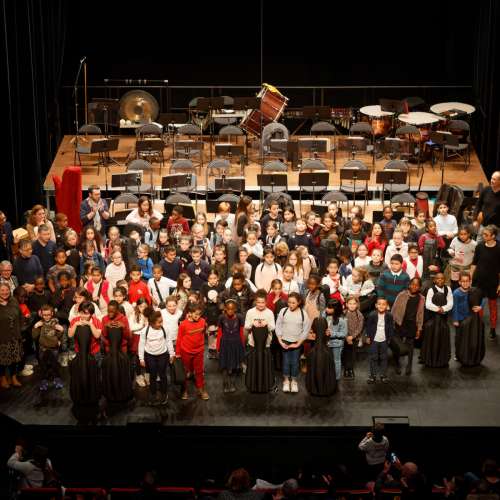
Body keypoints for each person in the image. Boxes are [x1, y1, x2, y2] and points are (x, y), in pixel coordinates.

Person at [68, 301, 102, 424]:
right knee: (81, 378)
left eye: (86, 314)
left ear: (91, 314)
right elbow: (70, 334)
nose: (83, 315)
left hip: (94, 354)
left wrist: (89, 324)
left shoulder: (96, 321)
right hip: (80, 354)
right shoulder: (75, 320)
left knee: (93, 378)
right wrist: (77, 324)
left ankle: (93, 401)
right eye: (82, 313)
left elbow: (97, 335)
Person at [276, 292, 312, 393]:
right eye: (289, 302)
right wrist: (280, 340)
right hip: (285, 341)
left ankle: (294, 381)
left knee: (295, 362)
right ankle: (286, 381)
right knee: (286, 361)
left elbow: (305, 330)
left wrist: (298, 343)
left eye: (293, 303)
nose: (290, 305)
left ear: (299, 302)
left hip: (296, 342)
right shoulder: (283, 311)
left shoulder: (303, 313)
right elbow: (278, 326)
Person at [101, 300, 134, 410]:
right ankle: (111, 394)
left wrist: (123, 327)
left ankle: (122, 394)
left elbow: (128, 336)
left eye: (112, 311)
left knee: (121, 373)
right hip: (109, 351)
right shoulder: (104, 319)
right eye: (108, 311)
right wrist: (106, 327)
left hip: (122, 350)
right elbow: (103, 336)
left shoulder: (123, 318)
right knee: (111, 373)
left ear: (117, 310)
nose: (109, 313)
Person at [139, 309, 175, 406]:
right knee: (152, 376)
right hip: (150, 356)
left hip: (162, 355)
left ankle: (164, 393)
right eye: (159, 322)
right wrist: (141, 358)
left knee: (163, 375)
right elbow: (141, 344)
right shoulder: (145, 331)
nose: (161, 324)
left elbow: (168, 341)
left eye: (162, 321)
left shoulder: (164, 329)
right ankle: (153, 393)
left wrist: (172, 354)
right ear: (151, 323)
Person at [470, 225, 500, 339]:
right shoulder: (480, 246)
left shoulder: (499, 248)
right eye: (483, 234)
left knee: (493, 306)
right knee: (478, 305)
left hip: (493, 282)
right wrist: (470, 278)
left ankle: (492, 329)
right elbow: (474, 263)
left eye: (486, 235)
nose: (483, 236)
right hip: (479, 281)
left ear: (493, 236)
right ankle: (478, 326)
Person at [391, 278, 425, 375]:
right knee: (398, 345)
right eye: (412, 284)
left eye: (417, 285)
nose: (414, 286)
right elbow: (394, 309)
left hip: (412, 325)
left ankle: (409, 365)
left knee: (410, 345)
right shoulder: (402, 295)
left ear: (420, 287)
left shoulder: (421, 298)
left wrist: (419, 328)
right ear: (409, 285)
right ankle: (397, 364)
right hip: (400, 323)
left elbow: (420, 314)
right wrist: (392, 323)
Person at [244, 290, 275, 393]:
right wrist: (253, 323)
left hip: (265, 345)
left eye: (262, 302)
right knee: (254, 365)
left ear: (266, 302)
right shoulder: (250, 312)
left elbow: (273, 327)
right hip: (253, 344)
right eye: (258, 302)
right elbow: (246, 326)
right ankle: (253, 385)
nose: (260, 305)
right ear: (255, 302)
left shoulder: (269, 312)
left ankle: (266, 385)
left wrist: (266, 324)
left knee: (264, 365)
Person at [176, 303, 209, 400]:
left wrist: (201, 346)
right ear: (189, 313)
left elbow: (203, 333)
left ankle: (201, 389)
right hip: (186, 351)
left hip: (198, 351)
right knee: (185, 372)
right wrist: (177, 353)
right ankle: (184, 390)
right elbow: (179, 339)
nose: (198, 316)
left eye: (199, 314)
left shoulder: (202, 321)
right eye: (195, 314)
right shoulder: (183, 324)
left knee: (199, 371)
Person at [452, 272, 485, 367]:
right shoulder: (456, 293)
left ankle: (467, 353)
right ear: (459, 282)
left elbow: (482, 298)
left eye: (467, 281)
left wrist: (480, 307)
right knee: (459, 336)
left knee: (469, 336)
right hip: (461, 318)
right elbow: (455, 307)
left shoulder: (473, 291)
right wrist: (455, 320)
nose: (465, 283)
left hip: (470, 318)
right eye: (463, 281)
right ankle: (458, 354)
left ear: (470, 282)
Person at [422, 273, 453, 368]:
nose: (440, 280)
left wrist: (443, 309)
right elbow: (428, 304)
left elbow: (451, 303)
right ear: (434, 280)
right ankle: (429, 357)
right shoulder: (431, 290)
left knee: (442, 336)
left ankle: (442, 358)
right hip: (432, 317)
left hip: (443, 317)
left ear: (445, 280)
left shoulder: (448, 289)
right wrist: (438, 309)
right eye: (438, 279)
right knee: (432, 336)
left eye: (442, 279)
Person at [32, 304, 64, 394]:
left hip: (54, 349)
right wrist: (35, 327)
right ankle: (44, 381)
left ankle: (57, 379)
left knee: (55, 365)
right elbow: (34, 336)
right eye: (44, 315)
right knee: (43, 366)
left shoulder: (55, 323)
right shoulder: (40, 324)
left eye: (48, 315)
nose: (46, 317)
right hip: (43, 348)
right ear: (41, 314)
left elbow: (58, 336)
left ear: (52, 314)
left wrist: (61, 331)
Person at [217, 299, 245, 393]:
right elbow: (220, 333)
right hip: (225, 344)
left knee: (235, 365)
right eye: (228, 309)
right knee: (224, 365)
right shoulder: (221, 318)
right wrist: (218, 347)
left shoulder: (240, 317)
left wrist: (243, 345)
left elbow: (241, 332)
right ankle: (225, 384)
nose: (230, 311)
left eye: (232, 309)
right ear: (225, 308)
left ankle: (232, 383)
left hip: (236, 344)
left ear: (235, 309)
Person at [366, 297, 394, 383]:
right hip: (374, 339)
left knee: (384, 358)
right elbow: (368, 327)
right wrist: (368, 337)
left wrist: (389, 338)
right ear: (376, 305)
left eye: (383, 304)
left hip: (384, 340)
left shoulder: (389, 315)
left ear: (387, 306)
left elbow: (390, 328)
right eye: (379, 304)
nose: (381, 306)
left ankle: (383, 375)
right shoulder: (372, 315)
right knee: (373, 357)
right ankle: (373, 375)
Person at [306, 316, 336, 396]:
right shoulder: (328, 352)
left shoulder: (311, 353)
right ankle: (325, 389)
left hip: (316, 350)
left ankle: (316, 388)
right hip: (324, 350)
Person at [0, 283, 23, 389]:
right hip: (2, 337)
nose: (5, 292)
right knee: (2, 359)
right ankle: (3, 378)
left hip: (15, 335)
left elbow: (20, 316)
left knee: (15, 358)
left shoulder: (13, 300)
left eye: (7, 290)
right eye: (2, 290)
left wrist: (20, 330)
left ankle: (13, 378)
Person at [200, 269, 225, 359]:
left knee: (218, 331)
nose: (213, 280)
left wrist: (218, 301)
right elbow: (202, 297)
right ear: (208, 279)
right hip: (209, 311)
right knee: (211, 331)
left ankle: (219, 348)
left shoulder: (221, 286)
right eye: (210, 278)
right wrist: (203, 299)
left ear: (217, 278)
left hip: (219, 311)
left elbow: (224, 298)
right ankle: (211, 350)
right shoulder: (204, 286)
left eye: (215, 278)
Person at [323, 299, 347, 381]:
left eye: (330, 308)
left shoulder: (342, 320)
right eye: (327, 307)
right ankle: (328, 375)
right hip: (326, 343)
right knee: (327, 360)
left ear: (335, 309)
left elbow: (344, 334)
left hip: (336, 344)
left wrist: (332, 333)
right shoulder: (325, 315)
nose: (327, 309)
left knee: (336, 361)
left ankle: (336, 378)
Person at [343, 296, 364, 379]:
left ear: (357, 305)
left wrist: (352, 336)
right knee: (346, 353)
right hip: (345, 337)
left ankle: (350, 369)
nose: (352, 305)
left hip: (354, 338)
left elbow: (360, 327)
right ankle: (346, 369)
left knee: (352, 354)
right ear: (347, 304)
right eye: (350, 303)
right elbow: (342, 326)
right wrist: (347, 336)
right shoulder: (344, 314)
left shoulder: (359, 315)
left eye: (354, 304)